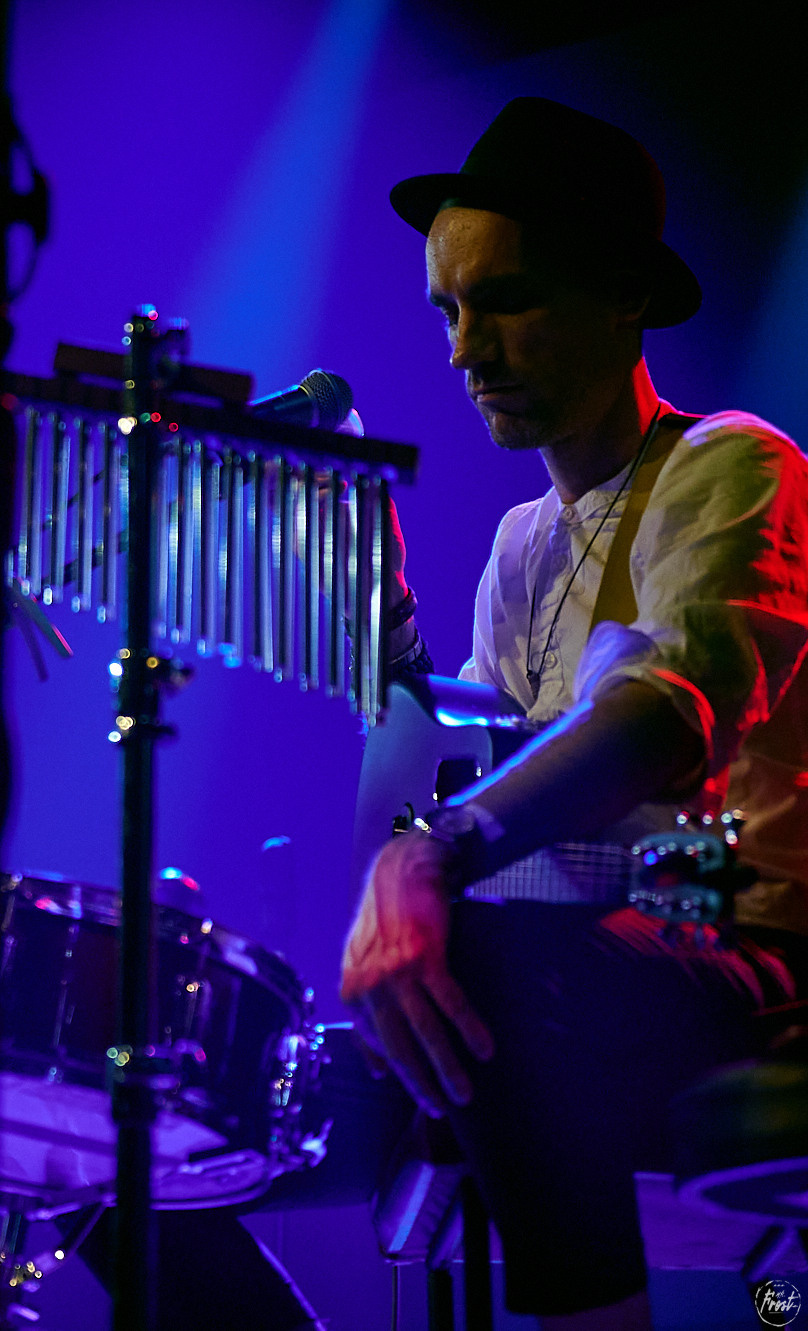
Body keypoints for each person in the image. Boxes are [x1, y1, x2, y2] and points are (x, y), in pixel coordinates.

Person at [341, 97, 808, 1328]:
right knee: (223, 1065)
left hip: (757, 953)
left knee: (482, 967)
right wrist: (380, 630)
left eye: (503, 300)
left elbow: (662, 715)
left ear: (622, 299)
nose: (461, 349)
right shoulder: (518, 543)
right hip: (598, 945)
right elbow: (490, 765)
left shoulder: (732, 463)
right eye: (446, 309)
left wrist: (431, 855)